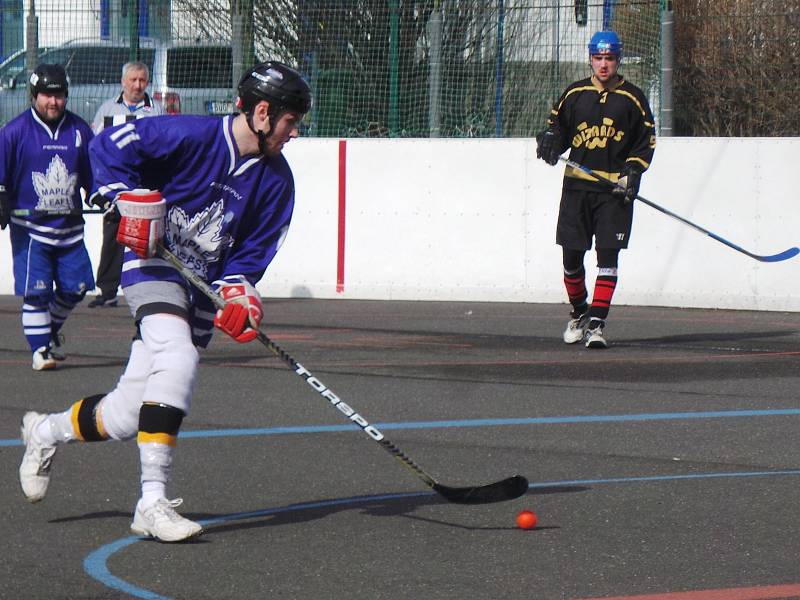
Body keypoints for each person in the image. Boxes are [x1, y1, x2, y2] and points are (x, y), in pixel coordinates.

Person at [18, 61, 311, 542]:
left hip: (198, 288)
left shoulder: (278, 183)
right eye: (289, 121)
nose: (293, 132)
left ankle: (45, 432)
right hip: (151, 265)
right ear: (262, 111)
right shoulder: (188, 134)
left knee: (127, 413)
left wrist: (241, 299)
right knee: (176, 356)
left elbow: (249, 257)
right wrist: (121, 195)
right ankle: (151, 501)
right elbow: (108, 146)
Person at [536, 30, 656, 349]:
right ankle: (579, 313)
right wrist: (548, 142)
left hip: (613, 193)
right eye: (599, 58)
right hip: (577, 189)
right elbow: (557, 130)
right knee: (572, 260)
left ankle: (597, 325)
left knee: (607, 258)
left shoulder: (633, 98)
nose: (604, 64)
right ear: (590, 58)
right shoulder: (574, 94)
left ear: (618, 59)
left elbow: (646, 142)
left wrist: (632, 171)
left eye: (610, 58)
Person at [0, 63, 95, 370]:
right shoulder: (14, 132)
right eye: (46, 95)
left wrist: (101, 195)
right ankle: (40, 349)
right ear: (34, 96)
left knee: (76, 289)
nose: (53, 102)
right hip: (31, 228)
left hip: (70, 227)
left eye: (59, 95)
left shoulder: (80, 130)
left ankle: (46, 330)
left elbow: (93, 176)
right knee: (36, 292)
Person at [87, 61, 165, 308]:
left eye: (142, 80)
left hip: (146, 183)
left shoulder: (156, 110)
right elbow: (96, 146)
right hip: (117, 184)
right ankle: (107, 290)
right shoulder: (107, 109)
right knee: (112, 234)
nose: (138, 85)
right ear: (123, 82)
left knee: (148, 236)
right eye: (133, 80)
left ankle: (151, 287)